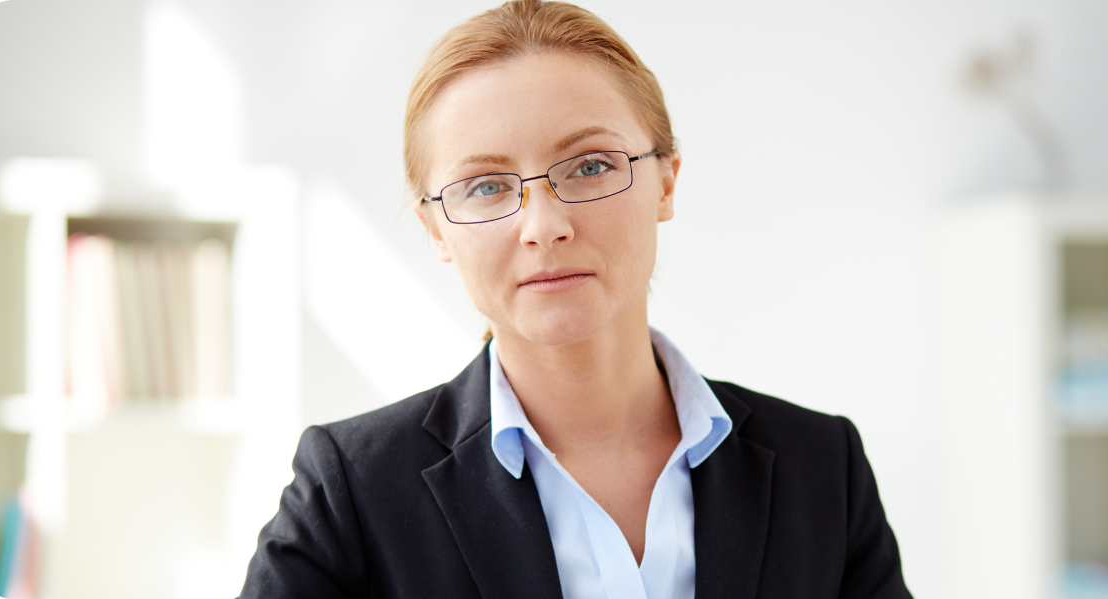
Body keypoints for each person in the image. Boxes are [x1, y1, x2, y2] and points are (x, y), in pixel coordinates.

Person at [239, 1, 910, 597]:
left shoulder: (823, 467)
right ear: (434, 228)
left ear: (666, 182)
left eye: (590, 166)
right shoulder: (351, 489)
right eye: (485, 186)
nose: (544, 225)